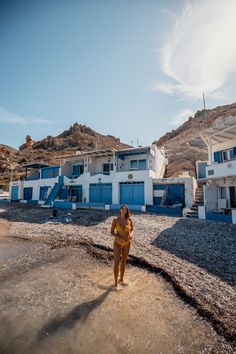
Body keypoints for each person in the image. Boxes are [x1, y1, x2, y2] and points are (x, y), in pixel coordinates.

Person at [111, 205, 134, 288]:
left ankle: (121, 280)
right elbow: (112, 232)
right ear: (120, 210)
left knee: (124, 261)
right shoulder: (115, 220)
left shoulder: (129, 220)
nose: (124, 210)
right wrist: (117, 237)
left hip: (127, 243)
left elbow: (132, 230)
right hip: (117, 242)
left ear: (127, 211)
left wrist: (131, 235)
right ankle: (115, 283)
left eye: (125, 209)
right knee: (117, 261)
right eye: (122, 209)